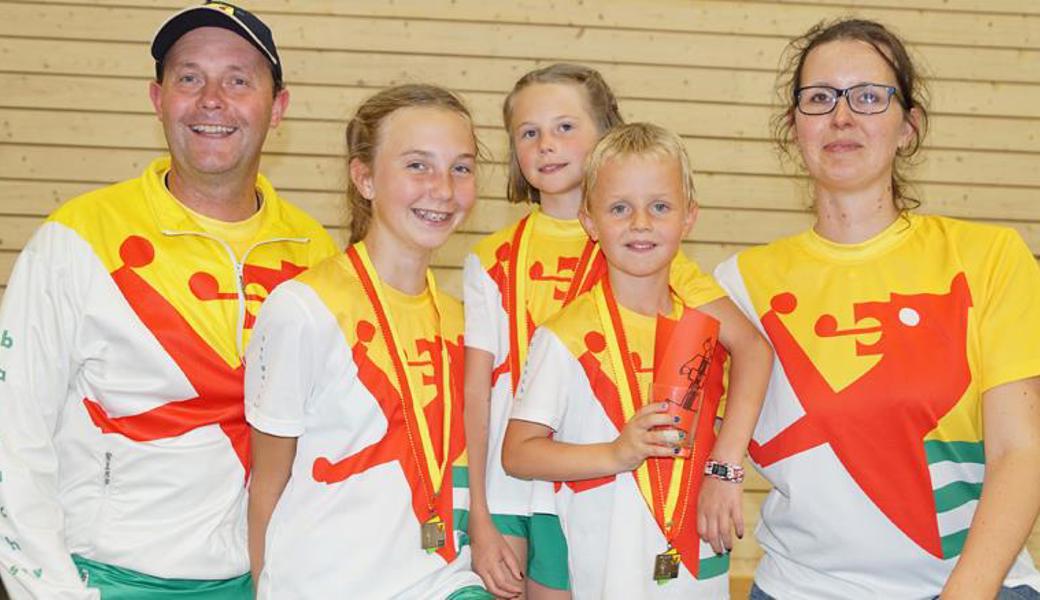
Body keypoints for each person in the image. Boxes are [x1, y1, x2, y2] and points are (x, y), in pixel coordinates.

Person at [0, 2, 339, 598]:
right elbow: (13, 432)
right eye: (189, 77)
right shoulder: (77, 238)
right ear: (158, 99)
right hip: (104, 578)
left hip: (263, 579)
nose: (213, 99)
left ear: (277, 106)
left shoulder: (315, 253)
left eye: (239, 79)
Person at [713, 18, 1040, 600]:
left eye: (868, 97)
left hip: (974, 588)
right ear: (794, 127)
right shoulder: (736, 285)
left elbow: (1021, 450)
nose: (842, 117)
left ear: (908, 126)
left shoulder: (989, 258)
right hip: (798, 589)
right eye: (819, 99)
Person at [501, 122, 773, 599]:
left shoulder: (703, 332)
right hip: (606, 571)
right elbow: (519, 453)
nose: (641, 223)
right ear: (589, 221)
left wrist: (724, 470)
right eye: (620, 208)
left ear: (689, 218)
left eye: (660, 207)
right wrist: (616, 454)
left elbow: (756, 354)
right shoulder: (566, 336)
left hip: (695, 562)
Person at [245, 84, 490, 599]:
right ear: (365, 178)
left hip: (439, 579)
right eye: (418, 165)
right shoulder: (303, 309)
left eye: (461, 167)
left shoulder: (464, 323)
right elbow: (267, 483)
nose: (443, 189)